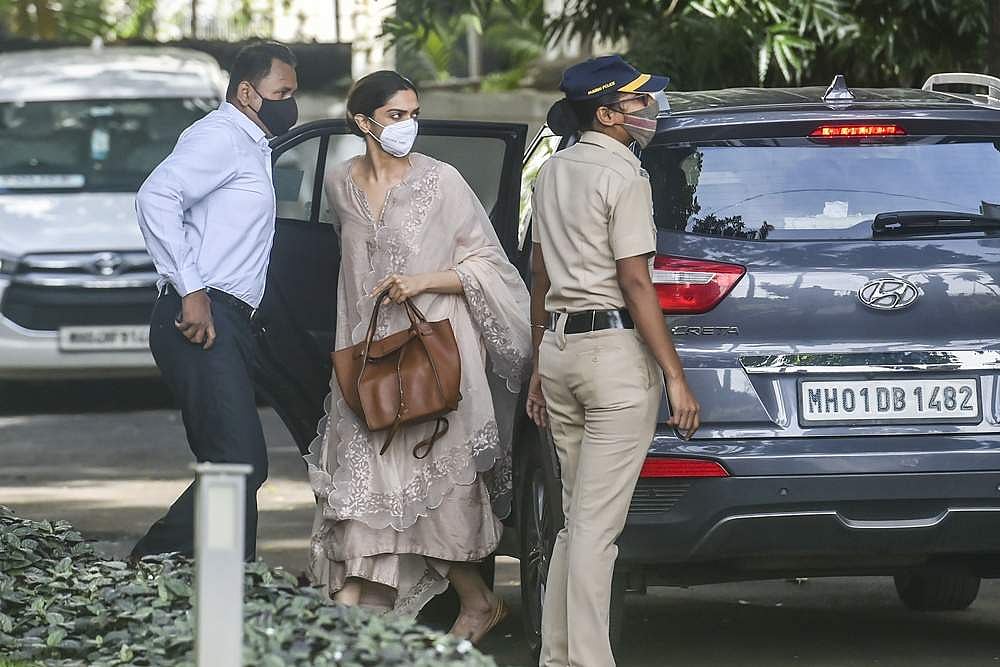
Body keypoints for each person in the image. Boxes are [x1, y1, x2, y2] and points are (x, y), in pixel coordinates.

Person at [305, 70, 531, 642]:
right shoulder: (339, 184)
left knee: (434, 493)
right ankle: (357, 624)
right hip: (368, 366)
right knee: (361, 493)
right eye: (396, 115)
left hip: (433, 365)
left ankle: (474, 604)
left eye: (413, 114)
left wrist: (422, 281)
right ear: (364, 122)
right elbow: (349, 277)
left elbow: (489, 265)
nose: (408, 125)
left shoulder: (442, 181)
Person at [526, 55, 701, 667]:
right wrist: (675, 377)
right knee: (596, 531)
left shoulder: (552, 171)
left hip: (560, 351)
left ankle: (559, 657)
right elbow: (635, 280)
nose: (649, 110)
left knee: (576, 523)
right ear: (606, 115)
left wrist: (538, 365)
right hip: (613, 357)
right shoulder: (625, 175)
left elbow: (540, 274)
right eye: (638, 102)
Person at [131, 41, 299, 561]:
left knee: (230, 465)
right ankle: (151, 562)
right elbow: (156, 197)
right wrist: (193, 291)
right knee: (238, 464)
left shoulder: (254, 145)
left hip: (231, 320)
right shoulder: (221, 136)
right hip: (200, 319)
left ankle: (228, 583)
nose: (290, 103)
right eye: (282, 93)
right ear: (247, 92)